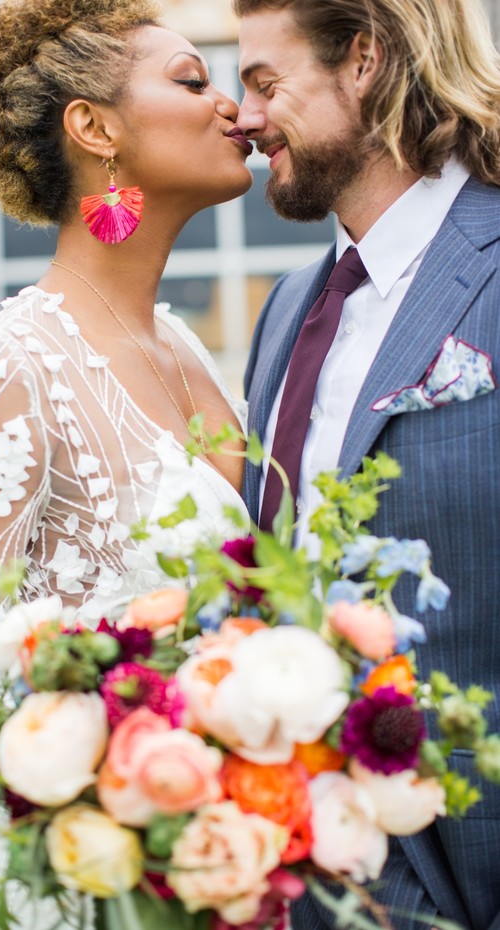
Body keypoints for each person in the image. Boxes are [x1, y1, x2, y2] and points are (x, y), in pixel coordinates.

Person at [0, 0, 254, 926]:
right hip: (64, 879)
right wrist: (102, 833)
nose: (234, 108)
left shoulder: (188, 350)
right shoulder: (10, 369)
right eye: (191, 80)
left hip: (208, 857)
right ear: (93, 127)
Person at [235, 0, 500, 928]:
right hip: (305, 876)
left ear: (365, 61)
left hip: (473, 861)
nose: (247, 117)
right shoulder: (288, 307)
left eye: (267, 84)